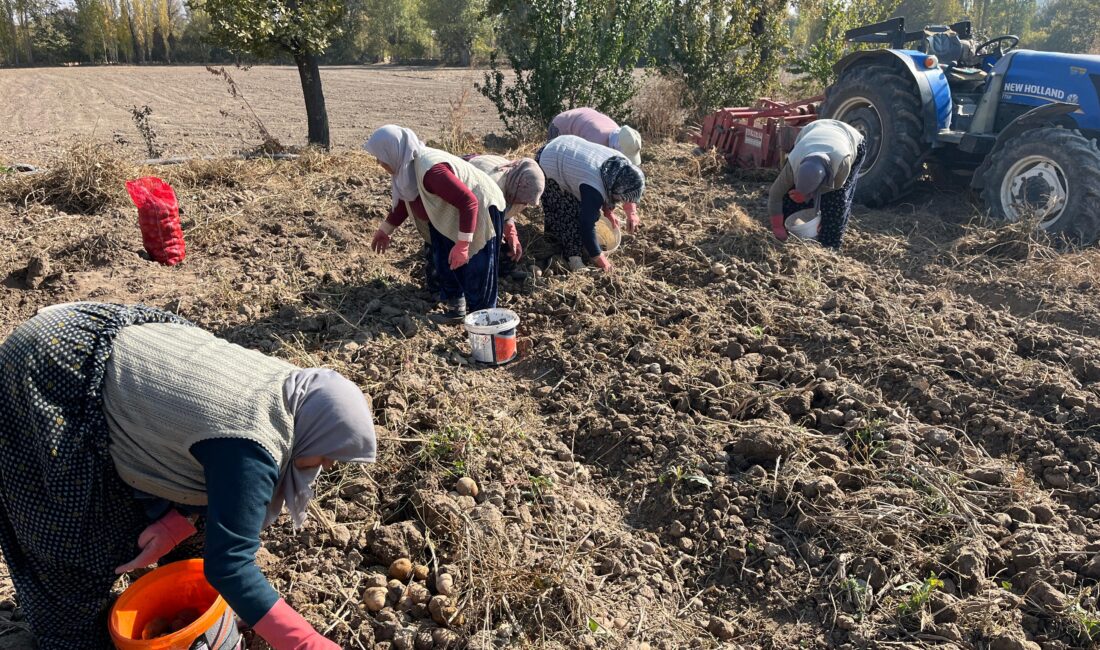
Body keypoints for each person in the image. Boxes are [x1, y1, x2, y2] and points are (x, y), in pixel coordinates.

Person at [0, 302, 377, 650]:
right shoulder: (253, 444)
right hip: (51, 369)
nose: (327, 466)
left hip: (93, 341)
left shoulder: (295, 392)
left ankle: (191, 598)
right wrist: (305, 642)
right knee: (66, 534)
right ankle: (72, 635)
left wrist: (179, 520)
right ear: (316, 432)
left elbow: (187, 441)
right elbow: (230, 564)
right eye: (329, 454)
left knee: (202, 536)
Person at [365, 126, 509, 321]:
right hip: (449, 212)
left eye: (380, 157)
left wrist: (463, 244)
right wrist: (385, 230)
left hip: (480, 207)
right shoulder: (406, 169)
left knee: (477, 267)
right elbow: (406, 201)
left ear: (393, 151)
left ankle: (483, 322)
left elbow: (468, 201)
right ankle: (456, 310)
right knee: (444, 259)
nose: (379, 162)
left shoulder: (431, 170)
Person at [536, 135, 645, 273]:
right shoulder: (593, 186)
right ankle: (570, 256)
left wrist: (609, 211)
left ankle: (567, 243)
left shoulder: (622, 167)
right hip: (550, 160)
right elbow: (587, 225)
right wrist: (601, 260)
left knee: (580, 210)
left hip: (567, 148)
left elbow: (610, 190)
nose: (621, 201)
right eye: (621, 198)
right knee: (566, 211)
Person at [767, 119, 866, 250]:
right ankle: (791, 230)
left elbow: (836, 187)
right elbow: (775, 194)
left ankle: (829, 245)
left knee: (835, 201)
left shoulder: (842, 162)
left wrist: (809, 196)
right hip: (814, 129)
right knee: (788, 195)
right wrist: (777, 226)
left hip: (851, 139)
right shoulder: (793, 164)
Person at [549, 108, 643, 228]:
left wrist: (631, 212)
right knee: (564, 182)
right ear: (616, 148)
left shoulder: (624, 139)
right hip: (562, 126)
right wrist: (607, 211)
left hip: (583, 120)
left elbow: (629, 181)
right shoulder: (596, 142)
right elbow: (593, 182)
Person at [464, 154, 546, 267]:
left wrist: (511, 234)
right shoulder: (491, 187)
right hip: (463, 199)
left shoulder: (515, 179)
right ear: (518, 186)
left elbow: (507, 209)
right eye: (522, 200)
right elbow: (475, 218)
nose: (524, 204)